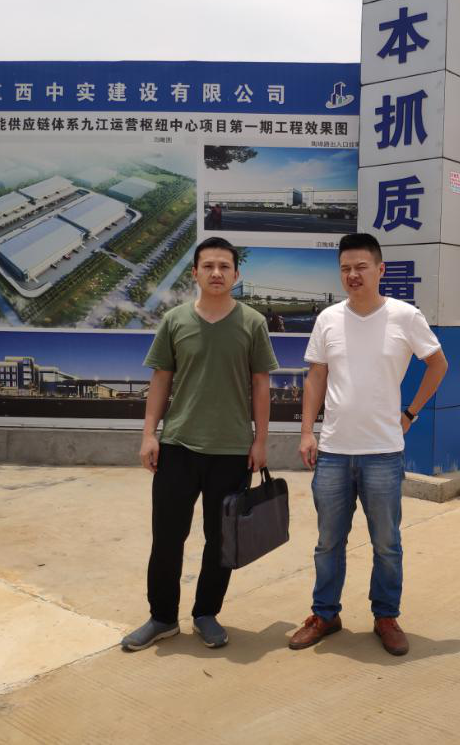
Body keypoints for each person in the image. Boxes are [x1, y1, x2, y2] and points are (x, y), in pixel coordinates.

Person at [289, 232, 448, 656]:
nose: (353, 275)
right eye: (345, 268)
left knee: (386, 543)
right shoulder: (328, 319)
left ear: (380, 270)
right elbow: (317, 377)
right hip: (334, 452)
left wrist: (410, 413)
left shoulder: (405, 316)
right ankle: (325, 614)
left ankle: (386, 616)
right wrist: (307, 431)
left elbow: (438, 364)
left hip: (382, 452)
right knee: (328, 542)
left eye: (361, 267)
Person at [121, 236, 279, 652]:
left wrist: (261, 440)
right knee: (167, 537)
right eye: (208, 266)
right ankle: (162, 617)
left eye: (224, 266)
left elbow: (261, 385)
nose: (216, 273)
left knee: (221, 539)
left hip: (231, 451)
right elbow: (161, 380)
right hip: (178, 446)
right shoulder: (174, 321)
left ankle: (206, 613)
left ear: (236, 274)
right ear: (195, 273)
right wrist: (149, 435)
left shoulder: (252, 323)